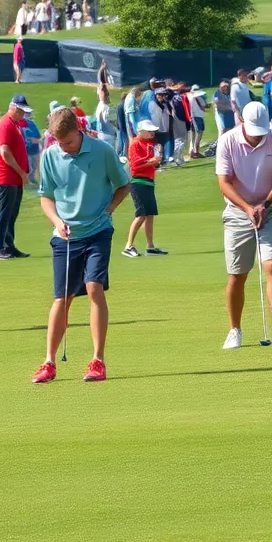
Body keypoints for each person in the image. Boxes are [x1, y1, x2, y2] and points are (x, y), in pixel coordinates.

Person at [32, 108, 131, 384]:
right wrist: (56, 220)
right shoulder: (51, 155)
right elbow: (46, 198)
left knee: (93, 287)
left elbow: (123, 185)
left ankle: (98, 360)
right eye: (59, 143)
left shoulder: (102, 151)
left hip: (98, 231)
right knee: (62, 299)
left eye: (68, 142)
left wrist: (109, 211)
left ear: (79, 130)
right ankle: (49, 362)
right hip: (65, 236)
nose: (64, 147)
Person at [215, 102, 272, 349]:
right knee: (238, 275)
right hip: (238, 213)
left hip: (271, 209)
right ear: (242, 124)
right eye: (254, 131)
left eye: (262, 130)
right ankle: (234, 330)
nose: (259, 135)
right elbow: (224, 182)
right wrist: (248, 208)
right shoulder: (227, 141)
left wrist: (264, 205)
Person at [0, 95, 35, 261]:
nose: (24, 114)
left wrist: (23, 172)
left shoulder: (14, 124)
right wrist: (21, 172)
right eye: (22, 111)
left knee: (12, 213)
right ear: (14, 108)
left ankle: (8, 245)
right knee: (4, 212)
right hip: (5, 176)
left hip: (14, 177)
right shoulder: (5, 124)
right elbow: (5, 152)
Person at [123, 120, 167, 258]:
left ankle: (150, 246)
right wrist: (152, 161)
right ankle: (128, 246)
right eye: (149, 131)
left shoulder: (150, 144)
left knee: (149, 215)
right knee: (141, 214)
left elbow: (152, 162)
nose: (152, 133)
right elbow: (135, 166)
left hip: (149, 182)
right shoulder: (135, 143)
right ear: (141, 131)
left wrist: (156, 161)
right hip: (138, 182)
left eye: (152, 131)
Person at [187, 84, 209, 157]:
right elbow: (204, 105)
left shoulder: (189, 97)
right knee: (199, 133)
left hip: (191, 117)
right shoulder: (198, 97)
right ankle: (196, 151)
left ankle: (191, 150)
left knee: (192, 133)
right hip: (197, 116)